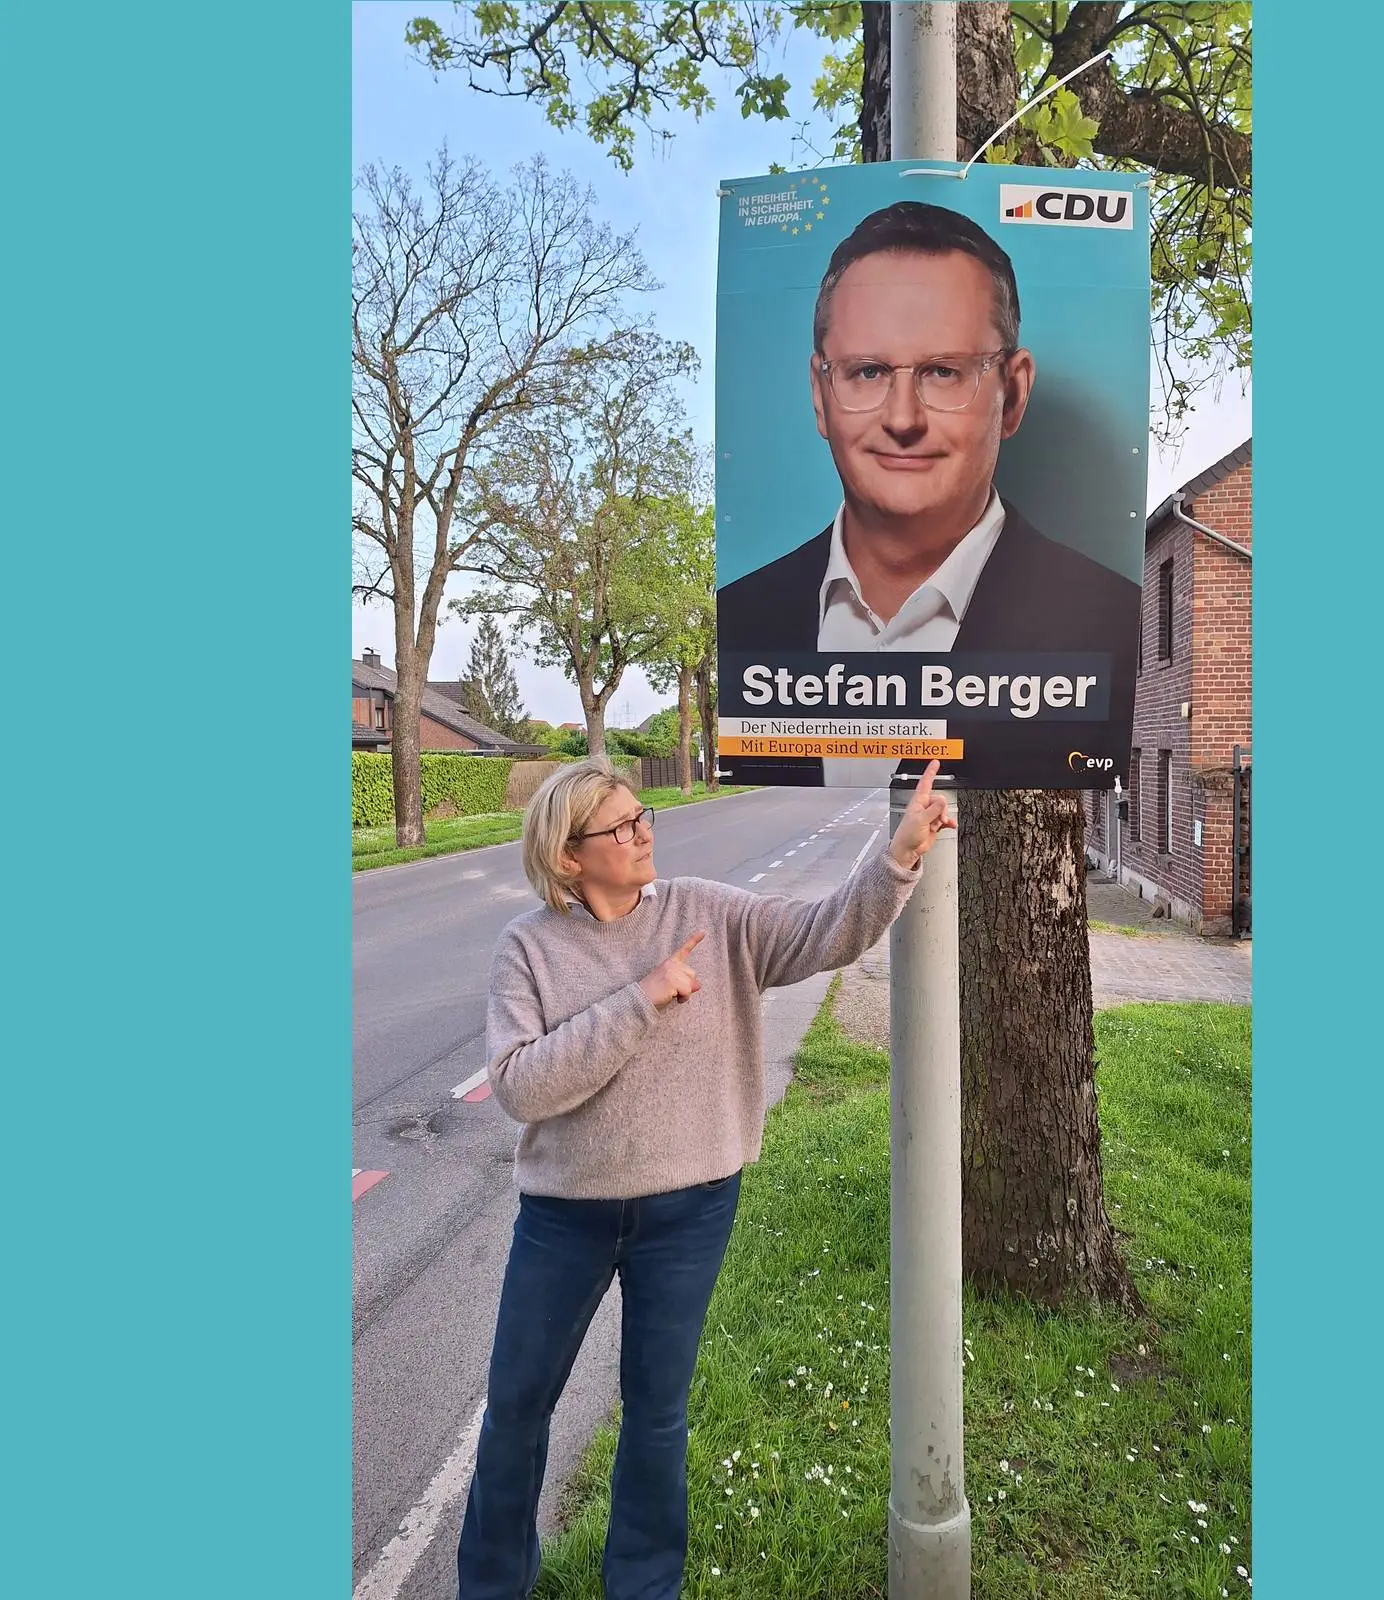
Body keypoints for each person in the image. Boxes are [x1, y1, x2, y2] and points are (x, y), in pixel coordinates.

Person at [456, 755, 954, 1600]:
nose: (644, 830)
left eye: (641, 815)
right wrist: (640, 999)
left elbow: (827, 930)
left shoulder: (710, 914)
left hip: (690, 1208)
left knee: (656, 1414)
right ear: (569, 855)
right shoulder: (529, 949)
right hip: (564, 1215)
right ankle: (494, 1583)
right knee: (514, 1412)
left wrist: (897, 854)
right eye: (621, 826)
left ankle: (644, 1587)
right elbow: (520, 1085)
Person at [715, 200, 1141, 787]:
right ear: (820, 394)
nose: (902, 418)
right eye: (867, 371)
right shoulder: (744, 613)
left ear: (1013, 395)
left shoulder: (1109, 622)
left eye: (944, 371)